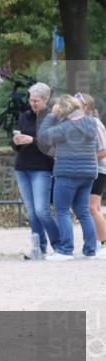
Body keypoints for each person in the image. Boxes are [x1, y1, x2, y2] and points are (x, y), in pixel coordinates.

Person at [37, 94, 102, 260]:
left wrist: (52, 115)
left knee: (62, 211)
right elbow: (95, 146)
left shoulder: (65, 128)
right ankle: (90, 250)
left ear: (63, 109)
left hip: (67, 173)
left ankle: (65, 250)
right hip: (88, 173)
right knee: (83, 212)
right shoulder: (92, 123)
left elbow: (43, 136)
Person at [10, 82, 60, 259]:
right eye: (31, 100)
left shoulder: (53, 119)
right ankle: (39, 248)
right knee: (31, 212)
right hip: (22, 167)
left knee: (42, 211)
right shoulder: (24, 116)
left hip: (42, 168)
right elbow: (16, 142)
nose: (33, 103)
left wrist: (32, 140)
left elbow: (51, 144)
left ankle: (59, 245)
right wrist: (15, 141)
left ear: (45, 100)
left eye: (36, 101)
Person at [77, 93, 106, 251]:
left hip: (98, 170)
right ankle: (97, 242)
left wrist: (84, 157)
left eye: (77, 105)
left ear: (86, 108)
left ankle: (103, 244)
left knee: (91, 208)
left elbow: (104, 150)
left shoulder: (94, 123)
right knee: (95, 208)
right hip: (88, 169)